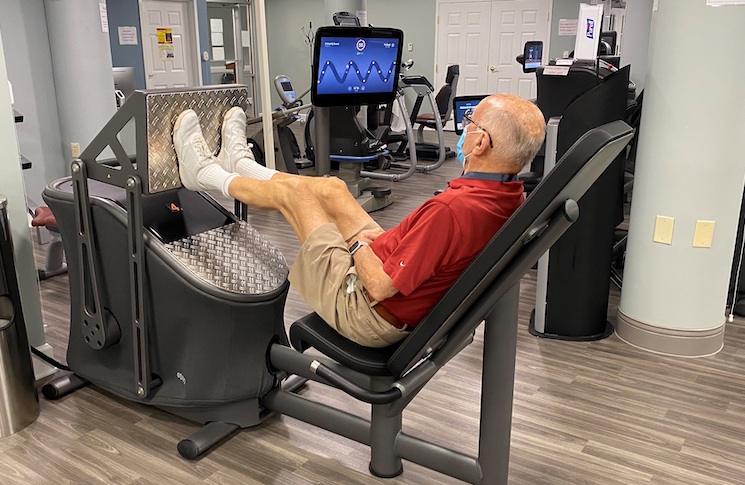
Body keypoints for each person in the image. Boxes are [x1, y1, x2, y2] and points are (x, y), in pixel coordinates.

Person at [173, 94, 545, 348]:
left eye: (470, 121)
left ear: (480, 144)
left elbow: (381, 287)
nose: (464, 127)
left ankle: (204, 174)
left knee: (298, 196)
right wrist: (373, 244)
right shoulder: (509, 194)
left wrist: (357, 245)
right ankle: (241, 166)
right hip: (388, 274)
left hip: (364, 308)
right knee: (334, 188)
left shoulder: (453, 211)